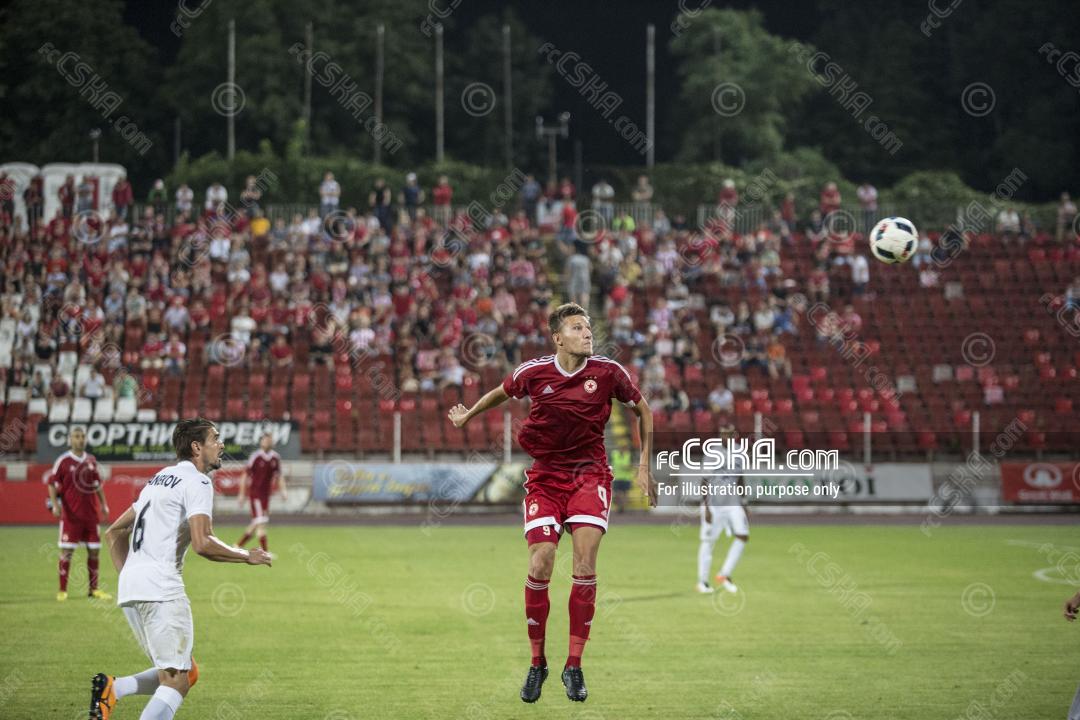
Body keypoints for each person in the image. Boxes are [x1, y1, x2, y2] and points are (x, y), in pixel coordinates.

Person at [447, 302, 655, 704]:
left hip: (590, 475)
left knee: (584, 564)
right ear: (558, 337)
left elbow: (643, 410)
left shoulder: (609, 373)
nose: (587, 333)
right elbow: (501, 393)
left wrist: (645, 464)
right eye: (577, 328)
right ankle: (537, 662)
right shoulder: (534, 372)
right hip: (545, 477)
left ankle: (573, 665)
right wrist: (467, 415)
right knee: (541, 561)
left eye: (588, 327)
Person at [90, 419, 272, 720]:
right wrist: (246, 555)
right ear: (197, 447)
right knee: (175, 681)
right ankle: (115, 690)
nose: (222, 444)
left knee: (185, 671)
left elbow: (113, 532)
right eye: (216, 438)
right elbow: (203, 542)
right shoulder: (198, 482)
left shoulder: (159, 479)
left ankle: (113, 688)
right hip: (161, 589)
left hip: (132, 588)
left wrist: (133, 576)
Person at [46, 427, 111, 602]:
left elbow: (97, 484)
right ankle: (62, 590)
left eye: (82, 436)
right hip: (71, 517)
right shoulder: (63, 461)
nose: (80, 439)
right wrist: (55, 505)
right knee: (67, 552)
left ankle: (94, 590)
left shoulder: (91, 460)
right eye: (76, 436)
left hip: (91, 516)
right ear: (70, 439)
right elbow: (51, 483)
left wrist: (104, 505)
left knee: (94, 552)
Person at [696, 425, 748, 594]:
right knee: (708, 541)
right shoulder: (712, 453)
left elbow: (740, 478)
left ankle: (724, 574)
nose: (726, 437)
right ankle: (702, 581)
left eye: (729, 434)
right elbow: (704, 480)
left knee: (742, 535)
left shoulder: (739, 451)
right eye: (723, 434)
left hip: (733, 502)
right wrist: (706, 507)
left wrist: (744, 502)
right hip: (714, 504)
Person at [236, 433, 286, 553]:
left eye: (269, 440)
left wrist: (283, 491)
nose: (267, 442)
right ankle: (265, 553)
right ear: (261, 442)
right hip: (256, 495)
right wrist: (242, 494)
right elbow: (245, 475)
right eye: (265, 440)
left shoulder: (275, 458)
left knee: (256, 523)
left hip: (266, 496)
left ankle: (237, 546)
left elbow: (279, 476)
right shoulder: (256, 456)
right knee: (261, 523)